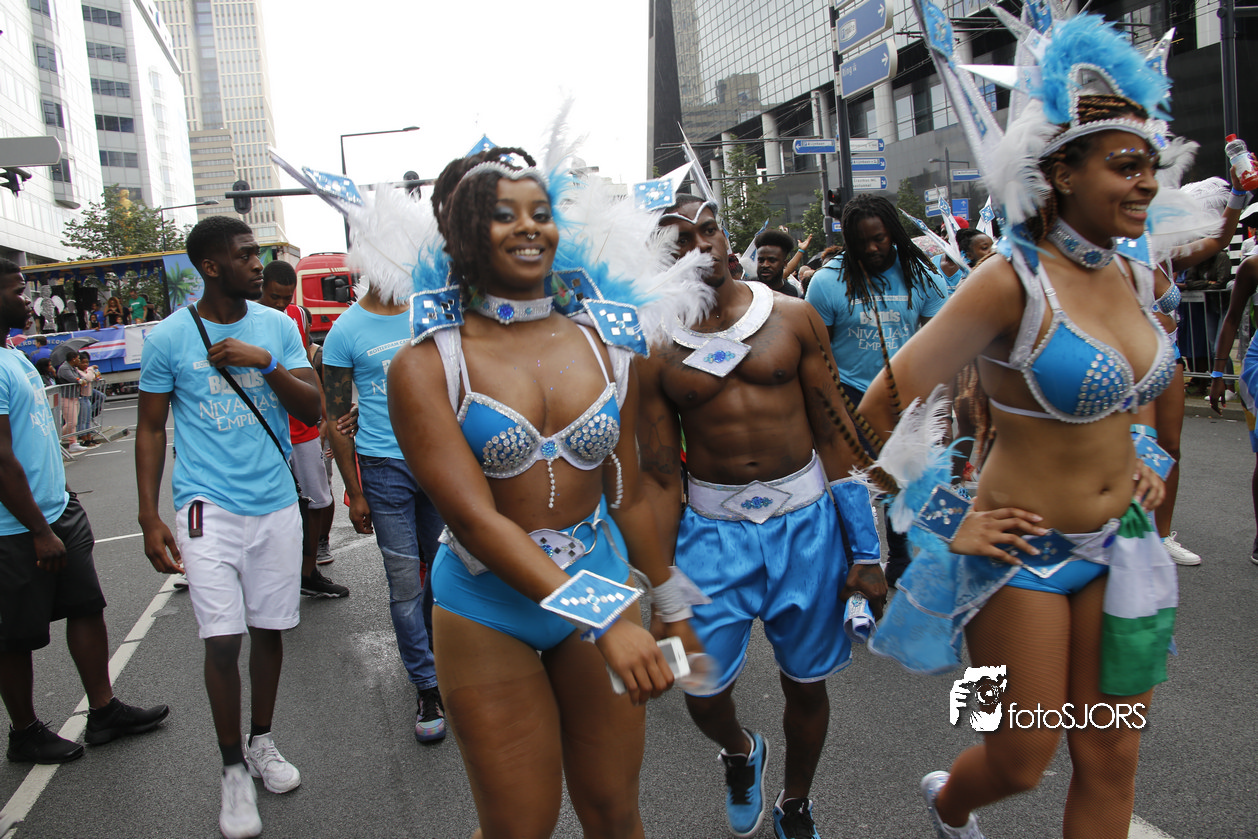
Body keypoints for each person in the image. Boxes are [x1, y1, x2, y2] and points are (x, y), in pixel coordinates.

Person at [857, 13, 1186, 839]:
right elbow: (877, 408)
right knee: (1020, 757)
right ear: (1062, 172)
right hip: (1018, 557)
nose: (1148, 183)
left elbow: (1137, 387)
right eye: (1126, 166)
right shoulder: (1010, 282)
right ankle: (950, 800)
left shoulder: (1137, 275)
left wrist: (1144, 453)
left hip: (1123, 547)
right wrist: (946, 519)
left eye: (1151, 165)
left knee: (1110, 754)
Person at [384, 146, 689, 839]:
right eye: (503, 214)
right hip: (487, 605)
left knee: (615, 811)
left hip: (602, 575)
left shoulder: (610, 341)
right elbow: (474, 520)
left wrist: (670, 604)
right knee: (519, 827)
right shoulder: (427, 363)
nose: (529, 227)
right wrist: (603, 620)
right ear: (460, 231)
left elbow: (629, 493)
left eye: (541, 212)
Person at [638, 192, 886, 839]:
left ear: (726, 237)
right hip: (710, 534)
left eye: (709, 230)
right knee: (697, 684)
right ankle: (741, 751)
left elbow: (836, 436)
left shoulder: (795, 317)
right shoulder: (655, 349)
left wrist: (866, 550)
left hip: (806, 526)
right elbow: (660, 475)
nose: (701, 246)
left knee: (806, 683)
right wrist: (662, 589)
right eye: (680, 240)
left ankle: (795, 801)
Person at [135, 216, 321, 839]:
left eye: (257, 253)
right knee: (222, 640)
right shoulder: (168, 338)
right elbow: (150, 428)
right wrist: (147, 514)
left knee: (270, 629)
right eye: (244, 255)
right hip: (205, 506)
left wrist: (265, 363)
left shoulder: (276, 327)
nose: (257, 263)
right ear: (211, 267)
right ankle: (233, 771)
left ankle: (261, 741)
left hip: (276, 504)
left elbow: (312, 405)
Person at [0, 258, 169, 765]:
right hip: (16, 528)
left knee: (86, 606)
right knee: (14, 635)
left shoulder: (12, 356)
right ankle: (25, 732)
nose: (26, 301)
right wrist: (38, 528)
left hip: (58, 509)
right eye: (16, 291)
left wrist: (61, 496)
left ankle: (104, 711)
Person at [322, 265, 448, 741]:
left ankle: (441, 654)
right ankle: (427, 685)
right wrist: (354, 491)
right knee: (404, 584)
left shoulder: (431, 312)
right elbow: (336, 418)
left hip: (438, 462)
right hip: (383, 469)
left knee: (445, 571)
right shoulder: (345, 330)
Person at [805, 194, 948, 587]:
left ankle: (900, 561)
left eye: (879, 239)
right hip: (849, 396)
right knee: (853, 486)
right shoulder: (827, 282)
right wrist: (827, 408)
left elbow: (940, 345)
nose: (871, 248)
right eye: (861, 241)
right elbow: (817, 353)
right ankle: (859, 562)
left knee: (901, 482)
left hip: (905, 397)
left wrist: (941, 409)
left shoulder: (922, 275)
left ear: (894, 235)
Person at [258, 261, 348, 599]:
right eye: (274, 297)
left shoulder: (295, 315)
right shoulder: (246, 317)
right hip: (266, 429)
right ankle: (275, 576)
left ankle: (308, 571)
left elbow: (306, 367)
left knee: (317, 499)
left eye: (287, 297)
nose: (282, 304)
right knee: (272, 506)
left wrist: (323, 416)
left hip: (302, 426)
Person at [752, 228, 801, 297]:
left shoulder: (794, 293)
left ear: (785, 263)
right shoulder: (745, 289)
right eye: (761, 260)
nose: (765, 265)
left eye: (772, 260)